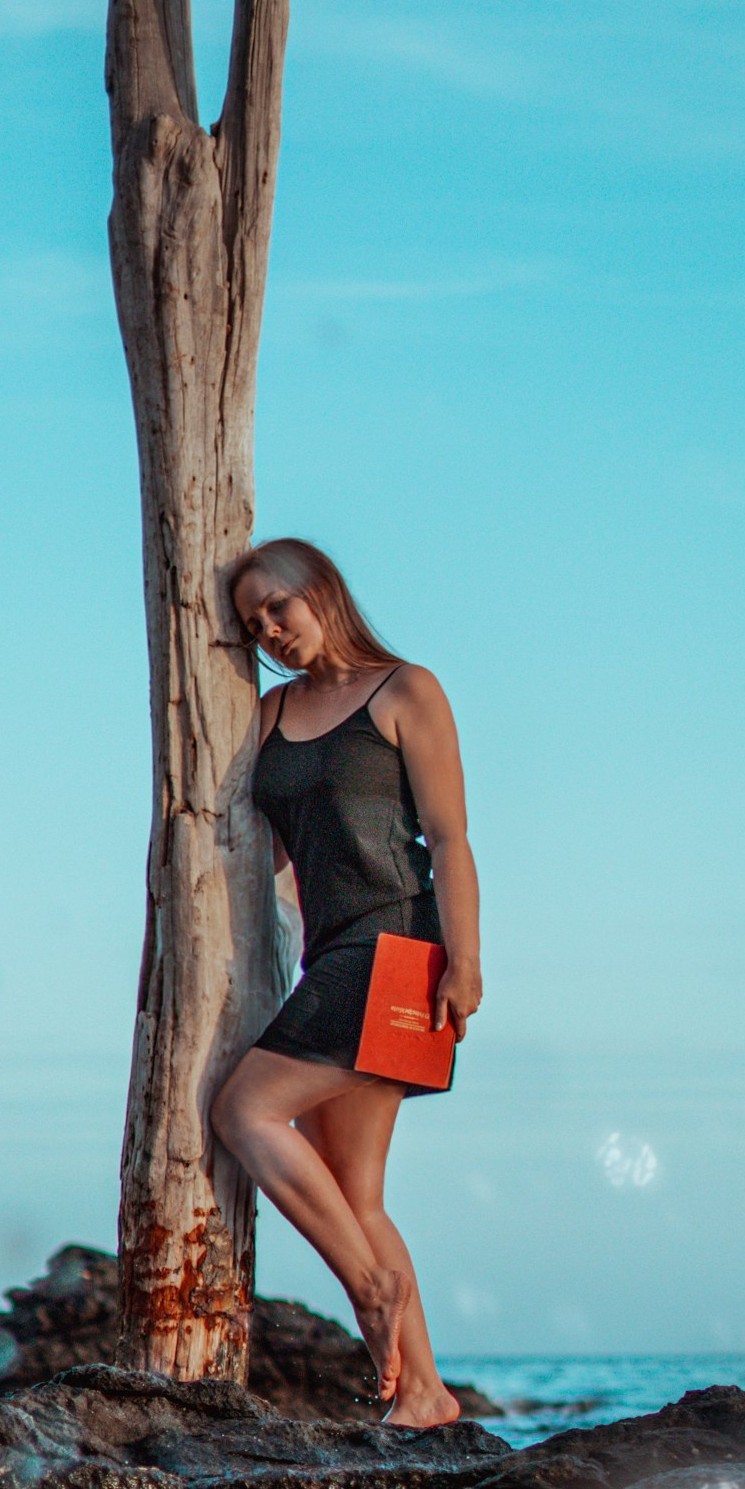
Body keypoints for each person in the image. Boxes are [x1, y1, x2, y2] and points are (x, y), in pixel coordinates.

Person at [212, 538, 482, 1427]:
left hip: (396, 943)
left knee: (244, 1112)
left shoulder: (405, 690)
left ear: (321, 591)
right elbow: (268, 851)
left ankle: (369, 1289)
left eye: (279, 608)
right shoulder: (267, 715)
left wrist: (466, 961)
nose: (271, 631)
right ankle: (426, 1395)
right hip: (327, 954)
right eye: (254, 625)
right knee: (355, 1191)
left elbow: (447, 839)